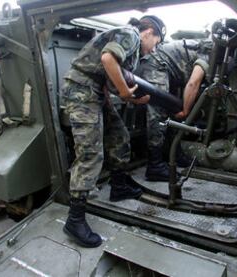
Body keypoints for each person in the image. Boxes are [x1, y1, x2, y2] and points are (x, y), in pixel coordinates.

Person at [61, 15, 166, 248]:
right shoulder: (131, 34)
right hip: (82, 91)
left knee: (119, 136)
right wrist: (126, 94)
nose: (155, 48)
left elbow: (110, 77)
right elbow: (108, 59)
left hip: (97, 93)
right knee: (90, 154)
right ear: (148, 32)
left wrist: (130, 98)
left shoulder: (134, 46)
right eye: (156, 42)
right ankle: (75, 219)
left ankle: (119, 186)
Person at [135, 38, 212, 181]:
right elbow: (193, 83)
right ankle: (155, 165)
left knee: (173, 113)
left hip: (169, 71)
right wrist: (186, 110)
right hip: (157, 65)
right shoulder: (210, 53)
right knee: (158, 115)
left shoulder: (208, 49)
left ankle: (175, 155)